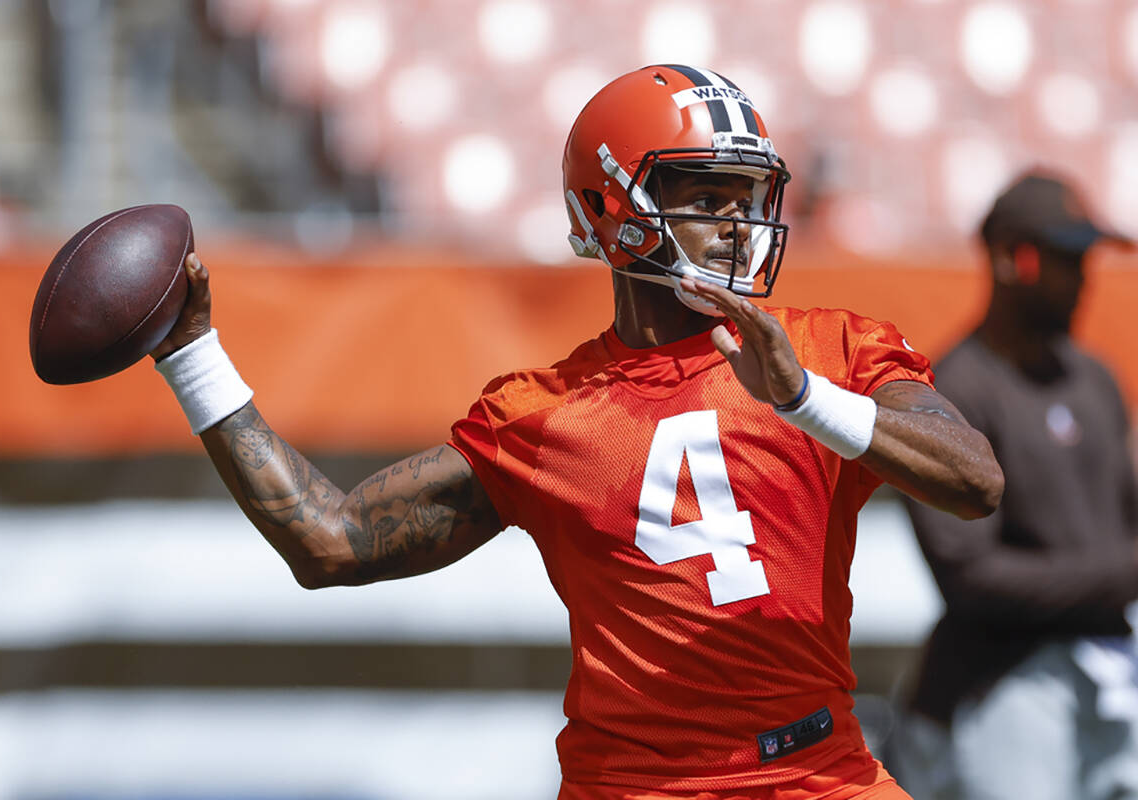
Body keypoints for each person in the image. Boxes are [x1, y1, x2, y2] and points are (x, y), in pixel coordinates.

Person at [149, 65, 1003, 798]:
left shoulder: (828, 354)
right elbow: (329, 542)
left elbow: (976, 484)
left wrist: (805, 398)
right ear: (612, 207)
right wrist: (194, 356)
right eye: (710, 197)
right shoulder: (544, 414)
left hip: (821, 768)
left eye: (750, 197)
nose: (742, 225)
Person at [889, 171, 1138, 800]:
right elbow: (969, 574)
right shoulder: (955, 391)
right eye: (1064, 258)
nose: (1082, 277)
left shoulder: (1093, 380)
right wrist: (1120, 577)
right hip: (1001, 684)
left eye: (1085, 259)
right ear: (1009, 259)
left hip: (1112, 673)